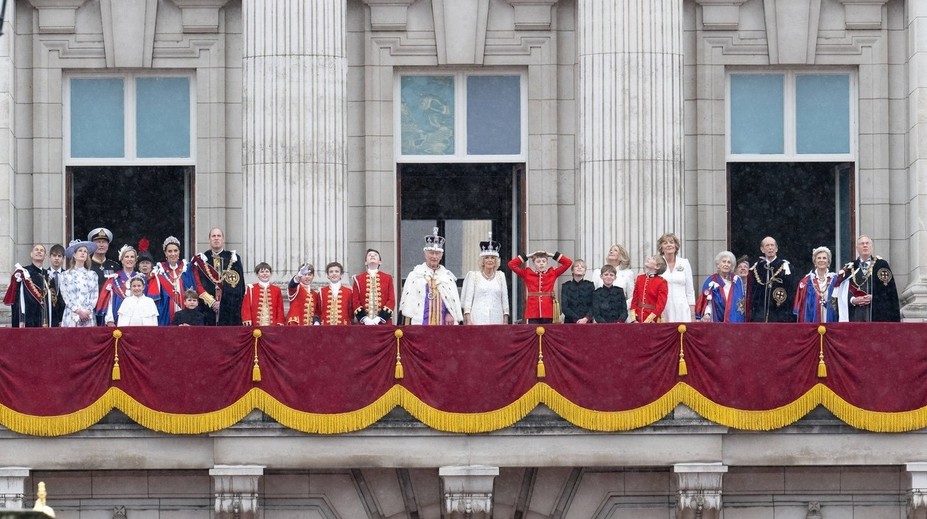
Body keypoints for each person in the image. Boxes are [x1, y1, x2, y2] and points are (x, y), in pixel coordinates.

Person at [399, 227, 463, 325]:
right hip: (420, 322)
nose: (434, 256)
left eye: (437, 253)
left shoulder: (448, 277)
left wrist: (450, 313)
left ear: (441, 256)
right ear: (425, 254)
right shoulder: (415, 275)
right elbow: (408, 304)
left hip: (443, 324)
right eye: (431, 253)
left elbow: (452, 302)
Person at [837, 235, 901, 322]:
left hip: (876, 314)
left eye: (867, 243)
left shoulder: (881, 265)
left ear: (872, 247)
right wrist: (853, 300)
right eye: (862, 244)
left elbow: (889, 290)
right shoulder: (850, 267)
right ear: (857, 248)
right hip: (855, 315)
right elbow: (842, 292)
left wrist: (874, 297)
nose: (865, 245)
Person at [192, 227, 245, 326]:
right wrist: (211, 302)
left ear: (223, 239)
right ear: (209, 240)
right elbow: (198, 284)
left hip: (229, 309)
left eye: (219, 236)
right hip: (207, 309)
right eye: (213, 236)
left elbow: (238, 286)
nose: (216, 238)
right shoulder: (202, 260)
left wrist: (223, 303)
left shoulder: (233, 258)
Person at [508, 249, 572, 324]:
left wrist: (551, 255)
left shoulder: (552, 273)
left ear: (547, 263)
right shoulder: (527, 274)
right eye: (538, 261)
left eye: (543, 261)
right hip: (533, 311)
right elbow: (511, 264)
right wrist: (528, 256)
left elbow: (568, 262)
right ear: (533, 263)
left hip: (548, 310)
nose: (541, 264)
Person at [460, 234, 509, 325]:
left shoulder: (501, 276)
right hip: (477, 318)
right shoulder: (474, 276)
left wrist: (505, 320)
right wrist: (468, 320)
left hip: (497, 317)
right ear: (482, 261)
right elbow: (468, 301)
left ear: (496, 261)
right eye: (487, 258)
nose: (489, 260)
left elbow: (505, 300)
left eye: (492, 258)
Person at [747, 236, 795, 322]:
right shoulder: (756, 268)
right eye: (767, 245)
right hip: (760, 314)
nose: (770, 248)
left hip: (779, 313)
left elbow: (791, 291)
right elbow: (752, 293)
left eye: (772, 245)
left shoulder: (786, 267)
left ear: (776, 249)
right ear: (762, 249)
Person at [3, 244, 52, 327]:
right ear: (31, 254)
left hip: (43, 319)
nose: (39, 251)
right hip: (27, 318)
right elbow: (15, 296)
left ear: (45, 256)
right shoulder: (22, 273)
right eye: (36, 250)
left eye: (42, 250)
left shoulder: (48, 276)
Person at [152, 236, 195, 326]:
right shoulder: (159, 271)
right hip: (166, 312)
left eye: (175, 251)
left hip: (185, 311)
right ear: (165, 253)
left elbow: (192, 291)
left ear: (179, 252)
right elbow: (155, 298)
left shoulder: (186, 268)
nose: (173, 254)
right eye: (170, 251)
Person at [695, 251, 746, 323]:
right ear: (718, 265)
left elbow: (741, 302)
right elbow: (707, 301)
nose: (726, 264)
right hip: (716, 319)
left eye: (729, 262)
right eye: (724, 262)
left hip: (734, 320)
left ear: (732, 266)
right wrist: (707, 314)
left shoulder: (737, 280)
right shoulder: (711, 281)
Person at [58, 239, 100, 327]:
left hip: (88, 315)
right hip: (71, 315)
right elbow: (66, 296)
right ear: (74, 254)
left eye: (85, 251)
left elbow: (94, 295)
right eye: (80, 251)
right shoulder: (65, 275)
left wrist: (87, 311)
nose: (83, 253)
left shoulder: (92, 275)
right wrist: (78, 311)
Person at [794, 246, 839, 323]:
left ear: (828, 261)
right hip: (811, 320)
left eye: (824, 258)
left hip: (831, 319)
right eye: (819, 258)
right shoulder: (807, 281)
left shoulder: (835, 280)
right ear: (814, 261)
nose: (821, 260)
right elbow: (801, 306)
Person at [589, 244, 635, 319]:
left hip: (620, 317)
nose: (611, 251)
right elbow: (593, 294)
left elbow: (631, 296)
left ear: (621, 255)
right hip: (600, 316)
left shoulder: (628, 273)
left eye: (615, 250)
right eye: (611, 250)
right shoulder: (598, 272)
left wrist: (621, 307)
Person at [351, 249, 397, 325]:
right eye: (369, 255)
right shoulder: (358, 279)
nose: (372, 256)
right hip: (364, 324)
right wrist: (364, 319)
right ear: (365, 262)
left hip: (383, 323)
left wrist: (380, 318)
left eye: (375, 255)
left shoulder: (388, 278)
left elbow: (391, 300)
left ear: (380, 262)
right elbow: (355, 301)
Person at [658, 233, 695, 322]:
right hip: (663, 308)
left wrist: (692, 314)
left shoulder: (684, 263)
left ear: (676, 246)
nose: (669, 245)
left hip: (682, 308)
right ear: (661, 247)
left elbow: (690, 290)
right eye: (665, 243)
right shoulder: (657, 264)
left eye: (671, 242)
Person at [99, 244, 138, 326]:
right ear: (121, 259)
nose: (129, 259)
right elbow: (109, 302)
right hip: (118, 318)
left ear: (135, 260)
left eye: (132, 257)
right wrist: (110, 320)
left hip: (137, 319)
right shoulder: (114, 279)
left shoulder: (141, 279)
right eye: (126, 257)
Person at [241, 262, 285, 326]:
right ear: (257, 274)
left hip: (273, 325)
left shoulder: (276, 289)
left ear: (270, 274)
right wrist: (247, 318)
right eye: (262, 272)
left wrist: (280, 321)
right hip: (255, 324)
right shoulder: (251, 288)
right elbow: (246, 306)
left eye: (267, 271)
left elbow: (280, 307)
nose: (264, 274)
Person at [630, 255, 668, 323]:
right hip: (638, 318)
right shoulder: (640, 278)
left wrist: (650, 319)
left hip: (653, 320)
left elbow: (660, 305)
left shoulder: (662, 282)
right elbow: (634, 300)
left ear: (657, 267)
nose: (648, 258)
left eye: (653, 258)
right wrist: (634, 318)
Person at [560, 259, 594, 324]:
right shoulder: (566, 286)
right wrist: (576, 319)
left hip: (587, 322)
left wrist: (586, 318)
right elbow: (565, 307)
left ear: (585, 272)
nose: (579, 267)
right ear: (572, 270)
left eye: (582, 266)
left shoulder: (590, 285)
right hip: (570, 322)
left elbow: (593, 305)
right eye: (577, 266)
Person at [48, 243, 67, 326]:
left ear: (63, 259)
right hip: (49, 316)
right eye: (54, 255)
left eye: (59, 256)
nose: (56, 258)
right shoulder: (44, 275)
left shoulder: (67, 275)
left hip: (64, 316)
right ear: (49, 257)